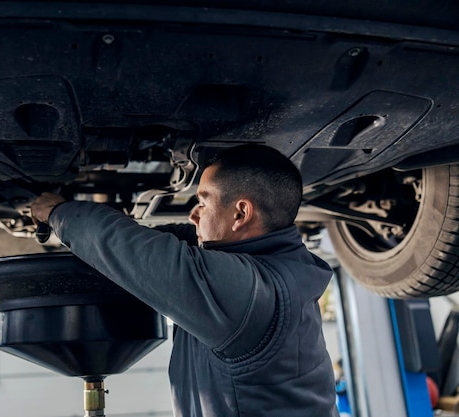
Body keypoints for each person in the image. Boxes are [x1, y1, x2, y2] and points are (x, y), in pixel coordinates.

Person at [31, 144, 338, 417]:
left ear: (241, 213)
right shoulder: (281, 267)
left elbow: (136, 253)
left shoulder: (251, 296)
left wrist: (59, 213)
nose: (193, 215)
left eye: (203, 203)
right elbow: (182, 241)